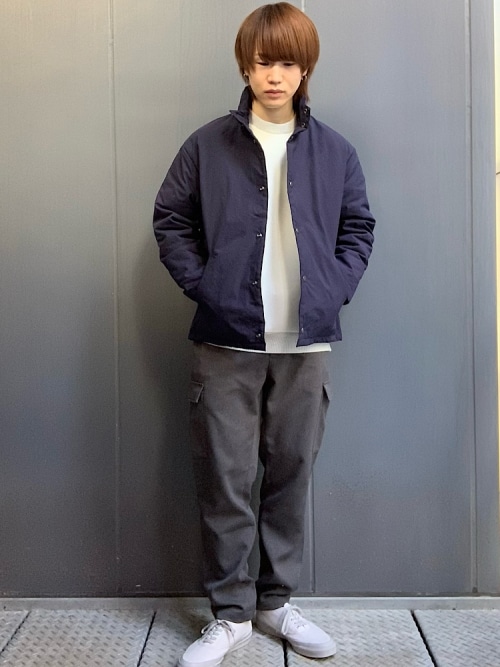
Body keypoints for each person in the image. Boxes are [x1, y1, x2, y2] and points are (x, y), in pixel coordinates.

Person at [153, 3, 375, 666]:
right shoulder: (206, 145)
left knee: (290, 476)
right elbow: (171, 220)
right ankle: (230, 616)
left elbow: (358, 229)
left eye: (286, 62)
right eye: (261, 61)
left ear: (304, 68)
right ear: (244, 67)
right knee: (225, 480)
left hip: (306, 346)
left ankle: (275, 603)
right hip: (226, 342)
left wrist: (333, 289)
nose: (273, 75)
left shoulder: (335, 152)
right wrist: (209, 287)